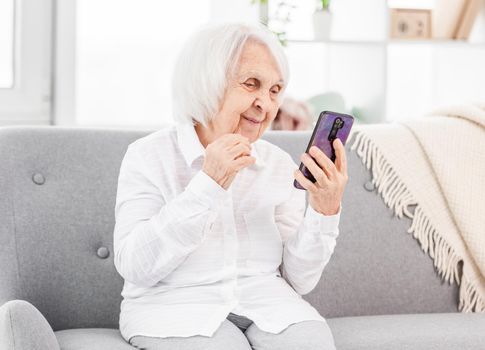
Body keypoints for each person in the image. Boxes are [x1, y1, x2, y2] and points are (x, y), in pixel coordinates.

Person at [113, 22, 348, 350]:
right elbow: (135, 266)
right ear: (207, 83)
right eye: (252, 84)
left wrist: (324, 211)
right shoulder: (148, 156)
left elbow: (300, 280)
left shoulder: (277, 164)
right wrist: (208, 184)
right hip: (173, 308)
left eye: (275, 90)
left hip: (268, 304)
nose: (264, 104)